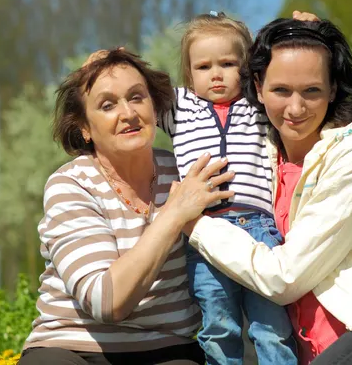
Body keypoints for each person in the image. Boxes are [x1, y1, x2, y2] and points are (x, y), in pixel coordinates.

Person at [175, 17, 352, 364]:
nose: (295, 108)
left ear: (333, 89)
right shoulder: (265, 158)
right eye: (281, 90)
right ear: (257, 88)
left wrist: (193, 224)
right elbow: (219, 48)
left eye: (312, 90)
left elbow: (284, 279)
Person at [20, 48, 235, 365]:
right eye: (107, 105)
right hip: (72, 350)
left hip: (167, 350)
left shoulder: (187, 173)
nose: (128, 113)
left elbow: (245, 112)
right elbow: (106, 302)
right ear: (84, 127)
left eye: (137, 97)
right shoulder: (71, 184)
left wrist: (306, 41)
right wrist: (174, 214)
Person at [157, 11, 296, 365]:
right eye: (203, 67)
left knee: (272, 325)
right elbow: (136, 93)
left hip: (259, 231)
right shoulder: (180, 106)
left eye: (228, 63)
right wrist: (108, 64)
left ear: (248, 70)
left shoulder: (260, 105)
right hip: (205, 232)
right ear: (189, 74)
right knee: (219, 326)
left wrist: (304, 31)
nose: (216, 74)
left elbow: (294, 71)